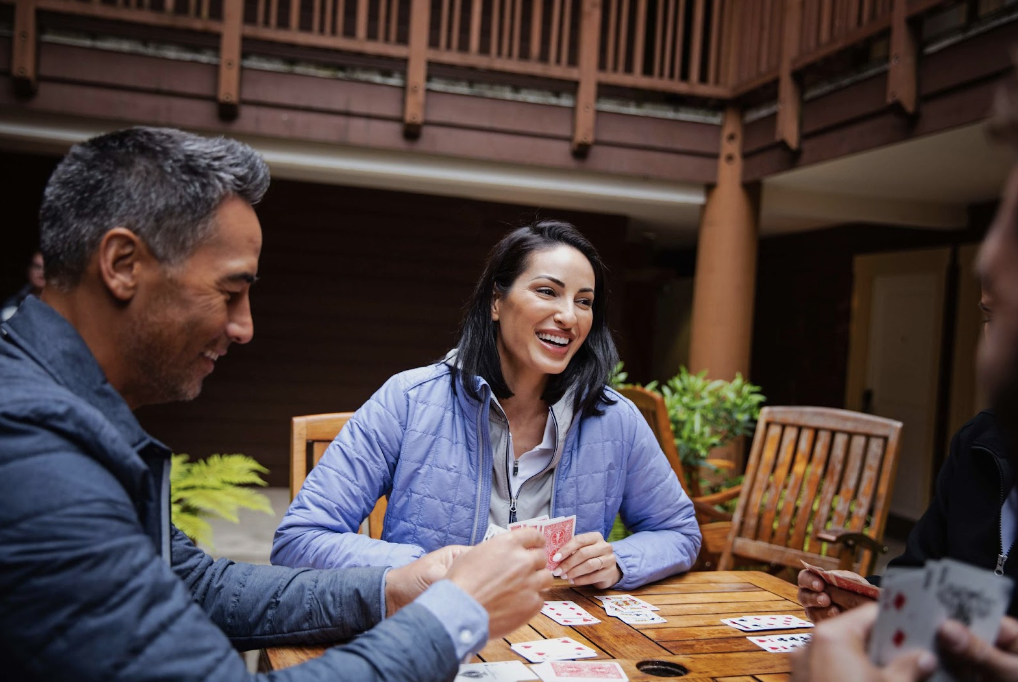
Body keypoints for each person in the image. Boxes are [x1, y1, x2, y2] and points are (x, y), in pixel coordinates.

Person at [0, 126, 553, 682]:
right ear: (122, 264)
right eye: (229, 291)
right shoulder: (35, 454)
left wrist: (391, 588)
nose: (245, 327)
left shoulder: (65, 411)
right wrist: (454, 614)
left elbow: (194, 585)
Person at [271, 219, 702, 589]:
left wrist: (619, 562)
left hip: (561, 644)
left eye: (584, 301)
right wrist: (425, 569)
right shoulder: (408, 401)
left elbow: (679, 532)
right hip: (431, 634)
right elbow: (301, 539)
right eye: (547, 291)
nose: (569, 316)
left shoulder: (614, 419)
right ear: (497, 302)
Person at [791, 72, 1018, 681]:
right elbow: (923, 583)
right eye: (987, 318)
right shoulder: (978, 445)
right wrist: (868, 598)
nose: (991, 253)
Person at [1, 250, 44, 321]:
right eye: (37, 267)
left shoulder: (65, 303)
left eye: (47, 267)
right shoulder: (13, 303)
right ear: (29, 269)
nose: (42, 272)